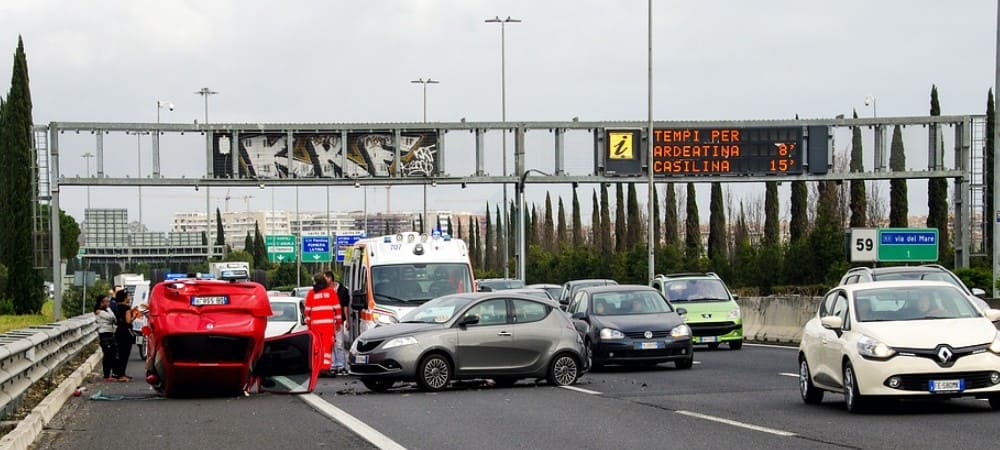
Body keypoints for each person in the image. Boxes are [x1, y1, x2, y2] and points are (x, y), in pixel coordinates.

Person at [305, 273, 342, 374]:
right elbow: (337, 309)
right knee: (327, 347)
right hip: (328, 326)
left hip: (315, 326)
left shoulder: (311, 293)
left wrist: (309, 325)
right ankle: (325, 368)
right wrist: (338, 323)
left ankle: (317, 367)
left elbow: (307, 312)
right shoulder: (331, 292)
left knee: (317, 347)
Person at [325, 271, 350, 374]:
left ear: (330, 278)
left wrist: (347, 320)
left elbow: (345, 306)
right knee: (331, 343)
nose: (324, 280)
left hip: (339, 320)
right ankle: (333, 365)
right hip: (328, 321)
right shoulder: (325, 290)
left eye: (325, 278)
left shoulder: (342, 290)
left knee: (339, 343)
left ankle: (341, 365)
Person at [112, 289, 137, 381]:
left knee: (120, 353)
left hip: (119, 331)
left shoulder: (117, 307)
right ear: (125, 298)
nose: (129, 298)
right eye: (128, 296)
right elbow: (128, 321)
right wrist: (134, 315)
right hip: (126, 333)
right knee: (125, 354)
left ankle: (119, 373)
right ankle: (121, 375)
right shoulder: (126, 308)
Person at [94, 294, 118, 381]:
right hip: (104, 333)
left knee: (112, 354)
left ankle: (112, 373)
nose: (108, 303)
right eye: (106, 302)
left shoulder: (106, 310)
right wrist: (108, 308)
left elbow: (114, 317)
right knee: (107, 355)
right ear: (101, 303)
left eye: (108, 301)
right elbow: (111, 317)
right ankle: (106, 375)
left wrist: (108, 309)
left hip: (110, 333)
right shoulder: (99, 311)